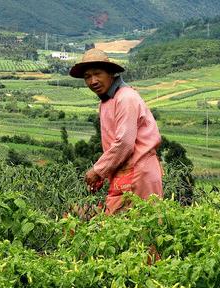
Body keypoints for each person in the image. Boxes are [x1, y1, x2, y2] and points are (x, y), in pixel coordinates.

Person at [69, 49, 163, 215]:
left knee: (138, 228)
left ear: (111, 73)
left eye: (98, 74)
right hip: (127, 172)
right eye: (87, 77)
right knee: (128, 228)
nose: (93, 81)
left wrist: (97, 170)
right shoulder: (107, 101)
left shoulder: (125, 98)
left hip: (137, 173)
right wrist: (104, 173)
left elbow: (124, 143)